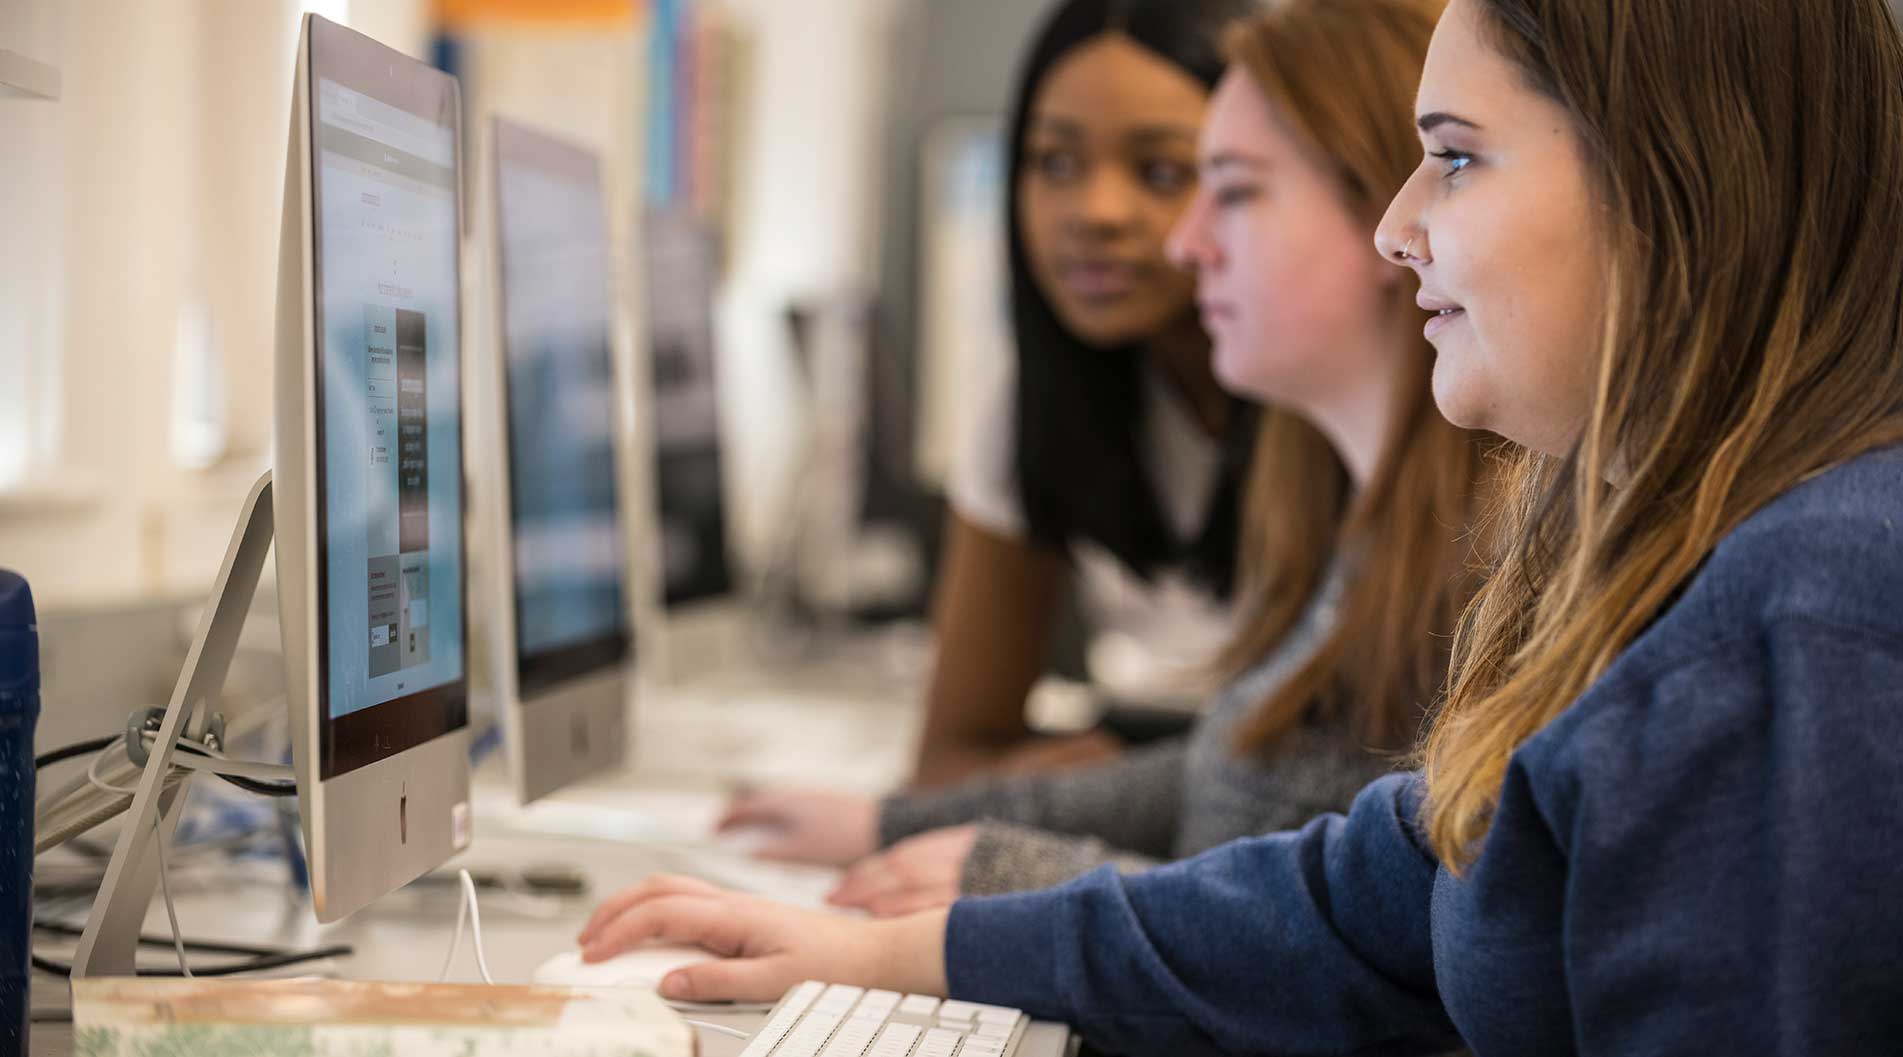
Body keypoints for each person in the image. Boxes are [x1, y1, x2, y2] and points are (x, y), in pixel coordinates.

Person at [576, 0, 1903, 1052]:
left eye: (1451, 158)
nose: (1399, 229)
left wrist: (954, 886)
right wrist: (910, 948)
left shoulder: (1803, 613)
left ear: (1669, 178)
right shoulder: (1644, 554)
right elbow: (1364, 898)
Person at [718, 0, 1488, 925]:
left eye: (1220, 184)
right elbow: (1244, 783)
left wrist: (1023, 878)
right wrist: (900, 824)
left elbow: (1346, 921)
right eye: (1052, 163)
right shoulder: (1353, 499)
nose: (1176, 236)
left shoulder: (1481, 537)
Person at [902, 0, 1261, 790]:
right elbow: (946, 759)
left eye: (1162, 171)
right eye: (1054, 163)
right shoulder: (1038, 399)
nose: (1093, 213)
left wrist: (1106, 794)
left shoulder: (1337, 399)